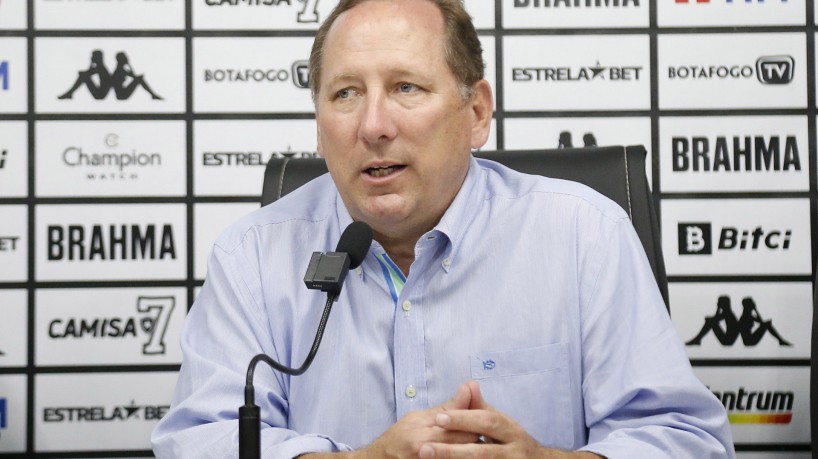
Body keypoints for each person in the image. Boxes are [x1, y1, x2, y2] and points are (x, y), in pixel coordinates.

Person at [152, 0, 734, 457]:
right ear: (319, 123)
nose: (374, 125)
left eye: (406, 87)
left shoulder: (586, 234)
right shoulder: (253, 254)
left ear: (476, 113)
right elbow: (196, 440)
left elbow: (687, 441)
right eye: (346, 93)